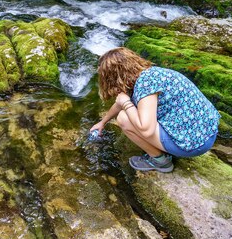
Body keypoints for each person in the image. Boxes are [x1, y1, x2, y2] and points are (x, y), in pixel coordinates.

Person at [90, 47, 219, 173]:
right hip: (206, 131)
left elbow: (146, 129)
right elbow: (119, 103)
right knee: (128, 110)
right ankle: (166, 147)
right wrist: (103, 122)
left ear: (115, 76)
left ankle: (160, 161)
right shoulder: (147, 74)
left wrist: (127, 103)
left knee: (123, 118)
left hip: (195, 143)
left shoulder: (145, 85)